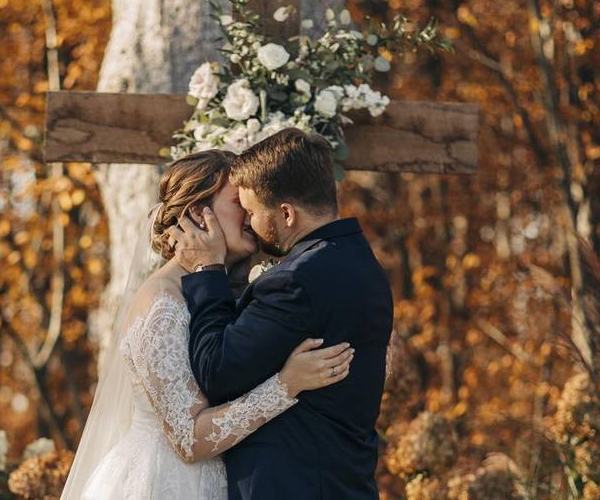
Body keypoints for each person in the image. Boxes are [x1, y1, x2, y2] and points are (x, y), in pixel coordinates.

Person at [60, 149, 355, 500]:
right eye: (238, 203)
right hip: (160, 483)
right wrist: (286, 385)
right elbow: (188, 439)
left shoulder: (233, 292)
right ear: (200, 215)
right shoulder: (161, 302)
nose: (250, 216)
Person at [170, 128, 394, 500]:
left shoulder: (296, 281)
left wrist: (208, 271)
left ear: (286, 213)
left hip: (293, 486)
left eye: (254, 212)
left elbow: (216, 371)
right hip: (346, 482)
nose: (251, 224)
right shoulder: (362, 263)